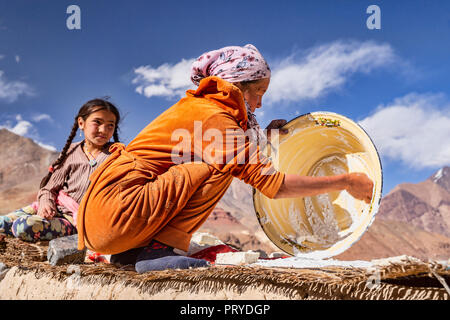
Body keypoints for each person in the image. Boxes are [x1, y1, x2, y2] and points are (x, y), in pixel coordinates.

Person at [76, 44, 374, 273]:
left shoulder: (202, 109)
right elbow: (273, 186)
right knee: (216, 168)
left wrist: (264, 137)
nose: (260, 102)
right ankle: (157, 251)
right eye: (258, 91)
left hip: (106, 223)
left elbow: (219, 139)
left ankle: (132, 253)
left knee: (219, 159)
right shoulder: (214, 118)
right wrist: (346, 181)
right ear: (237, 85)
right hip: (118, 215)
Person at [0, 99, 121, 242]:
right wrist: (46, 204)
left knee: (25, 226)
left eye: (110, 125)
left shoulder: (117, 155)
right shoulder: (71, 151)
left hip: (76, 221)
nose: (103, 130)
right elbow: (49, 188)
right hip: (55, 208)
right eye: (97, 122)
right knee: (1, 222)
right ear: (81, 123)